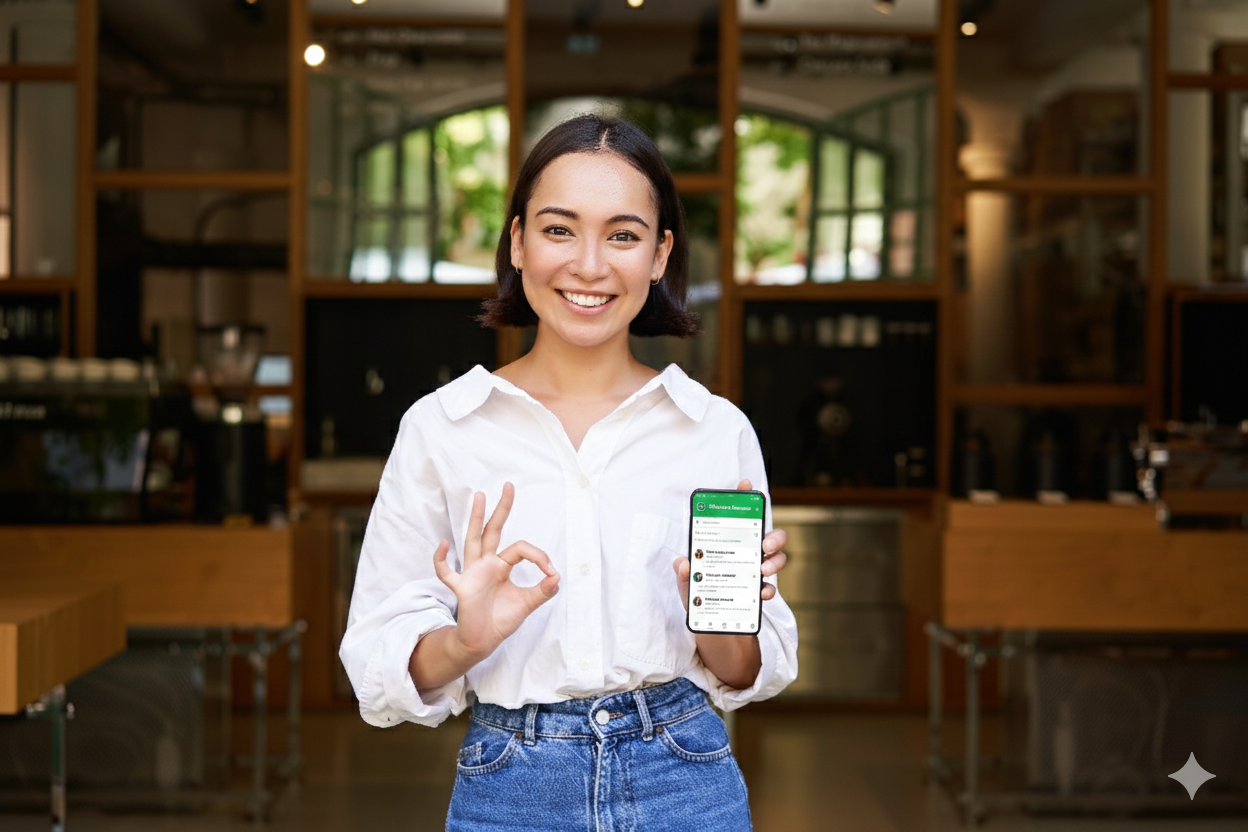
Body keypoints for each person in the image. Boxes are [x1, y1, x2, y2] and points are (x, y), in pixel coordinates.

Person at [339, 114, 798, 832]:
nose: (590, 264)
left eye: (622, 234)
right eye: (559, 230)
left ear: (659, 253)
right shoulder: (443, 427)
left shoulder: (713, 431)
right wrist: (466, 641)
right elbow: (378, 664)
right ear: (518, 241)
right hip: (509, 787)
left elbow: (740, 673)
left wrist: (722, 611)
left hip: (686, 781)